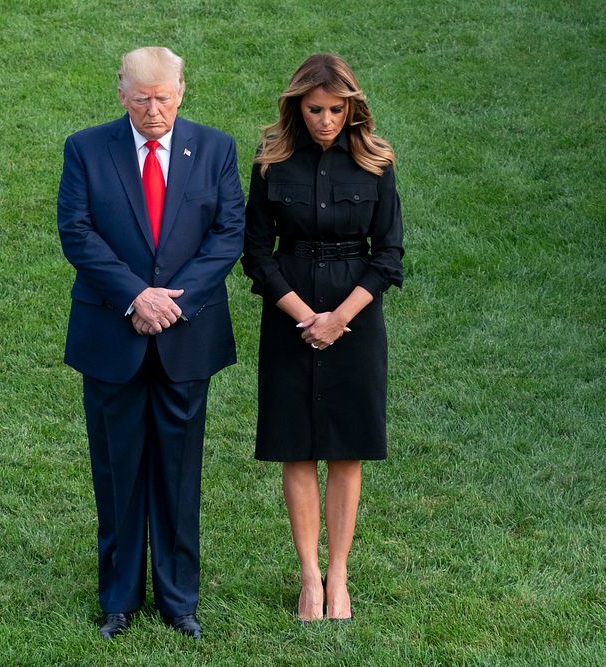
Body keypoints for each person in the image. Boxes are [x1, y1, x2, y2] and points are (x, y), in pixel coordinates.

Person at [57, 46, 245, 640]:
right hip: (114, 334)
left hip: (186, 338)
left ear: (182, 91)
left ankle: (178, 599)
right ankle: (118, 599)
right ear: (121, 94)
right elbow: (77, 233)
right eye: (142, 99)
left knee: (179, 472)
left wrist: (171, 301)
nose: (154, 109)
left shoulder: (215, 149)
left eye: (164, 97)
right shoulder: (86, 149)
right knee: (116, 470)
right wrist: (137, 297)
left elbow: (228, 234)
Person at [241, 53, 404, 623]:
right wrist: (305, 316)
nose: (327, 120)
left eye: (337, 109)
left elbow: (387, 257)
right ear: (296, 107)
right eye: (315, 109)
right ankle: (309, 577)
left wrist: (339, 319)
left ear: (352, 107)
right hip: (291, 313)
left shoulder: (377, 162)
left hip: (356, 317)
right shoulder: (271, 163)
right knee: (297, 445)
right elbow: (256, 254)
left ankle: (339, 575)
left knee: (345, 445)